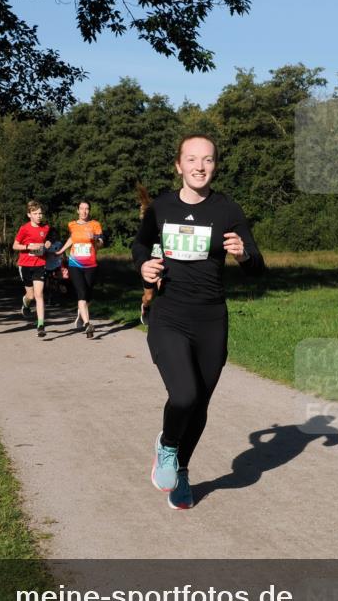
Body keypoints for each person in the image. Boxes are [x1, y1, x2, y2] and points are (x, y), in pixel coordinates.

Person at [132, 134, 264, 510]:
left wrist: (243, 256)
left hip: (211, 319)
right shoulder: (161, 207)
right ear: (178, 165)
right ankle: (167, 447)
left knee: (200, 405)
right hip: (169, 314)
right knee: (184, 395)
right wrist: (143, 266)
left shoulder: (227, 210)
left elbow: (257, 266)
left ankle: (182, 470)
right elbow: (140, 246)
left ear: (215, 166)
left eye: (207, 160)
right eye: (192, 159)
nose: (199, 167)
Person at [58, 200, 104, 339]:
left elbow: (101, 243)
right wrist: (61, 251)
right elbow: (72, 238)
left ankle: (80, 313)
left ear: (89, 211)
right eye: (81, 208)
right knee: (81, 293)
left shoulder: (95, 225)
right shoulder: (72, 224)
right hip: (75, 264)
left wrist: (95, 238)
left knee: (88, 294)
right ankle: (87, 324)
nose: (84, 211)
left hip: (91, 265)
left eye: (87, 209)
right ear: (77, 210)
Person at [13, 200, 51, 339]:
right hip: (25, 264)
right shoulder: (24, 228)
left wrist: (48, 243)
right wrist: (29, 247)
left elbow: (49, 239)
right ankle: (25, 303)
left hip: (40, 264)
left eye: (40, 213)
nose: (39, 216)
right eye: (35, 213)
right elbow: (15, 245)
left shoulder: (46, 228)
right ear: (29, 215)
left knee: (39, 294)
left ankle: (40, 325)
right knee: (31, 296)